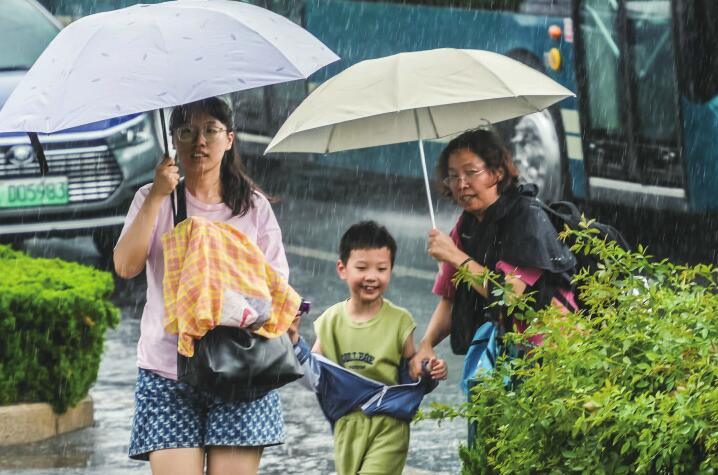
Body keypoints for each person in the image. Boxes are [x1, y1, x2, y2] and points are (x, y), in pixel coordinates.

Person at [114, 96, 288, 475]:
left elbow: (275, 290)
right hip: (167, 370)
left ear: (230, 138)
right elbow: (125, 265)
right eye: (187, 131)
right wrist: (159, 195)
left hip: (241, 367)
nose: (200, 141)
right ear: (173, 140)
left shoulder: (254, 207)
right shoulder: (152, 198)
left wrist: (220, 297)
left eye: (210, 130)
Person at [411, 128, 577, 376]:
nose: (462, 184)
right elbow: (450, 299)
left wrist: (454, 255)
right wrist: (426, 344)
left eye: (471, 172)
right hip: (506, 353)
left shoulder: (526, 219)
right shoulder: (465, 227)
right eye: (453, 176)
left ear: (498, 172)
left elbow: (509, 294)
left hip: (554, 353)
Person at [287, 220, 447, 475]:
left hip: (389, 424)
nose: (372, 276)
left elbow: (410, 374)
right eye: (362, 267)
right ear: (342, 269)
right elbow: (316, 376)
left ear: (391, 270)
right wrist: (294, 341)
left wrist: (429, 369)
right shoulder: (330, 320)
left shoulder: (400, 321)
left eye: (381, 269)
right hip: (346, 424)